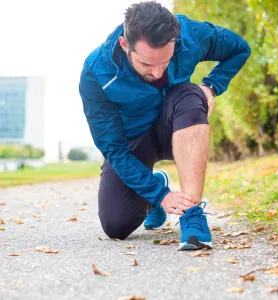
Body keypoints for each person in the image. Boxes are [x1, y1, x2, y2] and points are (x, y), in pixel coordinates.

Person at [79, 1, 251, 250]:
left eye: (166, 61)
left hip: (178, 123)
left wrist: (211, 85)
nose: (158, 72)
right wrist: (160, 194)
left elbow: (239, 48)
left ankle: (191, 216)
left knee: (191, 94)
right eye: (147, 64)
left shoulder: (189, 34)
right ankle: (156, 190)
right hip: (133, 139)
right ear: (125, 45)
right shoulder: (96, 73)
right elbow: (114, 149)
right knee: (116, 225)